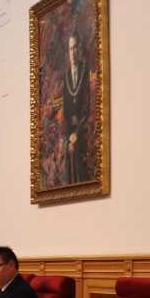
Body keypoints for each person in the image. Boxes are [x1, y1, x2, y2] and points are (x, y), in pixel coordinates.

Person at [62, 33, 91, 185]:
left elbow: (86, 105)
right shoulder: (65, 76)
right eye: (70, 49)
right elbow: (66, 111)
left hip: (82, 129)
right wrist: (68, 136)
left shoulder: (84, 70)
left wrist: (77, 133)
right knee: (69, 173)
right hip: (70, 133)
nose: (72, 52)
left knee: (81, 171)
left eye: (74, 48)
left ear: (78, 49)